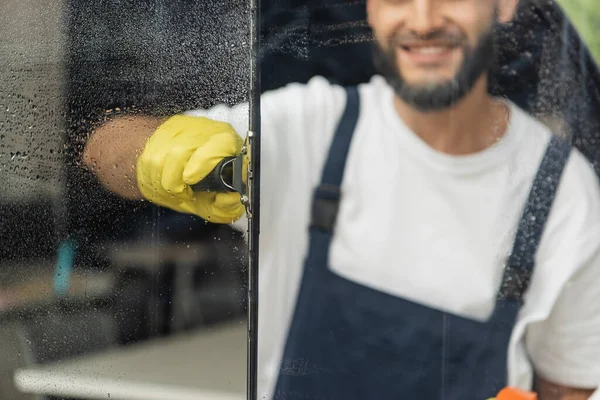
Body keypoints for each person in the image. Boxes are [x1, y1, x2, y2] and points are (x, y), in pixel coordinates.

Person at [82, 0, 600, 399]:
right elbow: (103, 150)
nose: (422, 20)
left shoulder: (561, 192)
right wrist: (153, 153)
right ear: (371, 10)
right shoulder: (309, 128)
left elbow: (569, 384)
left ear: (505, 4)